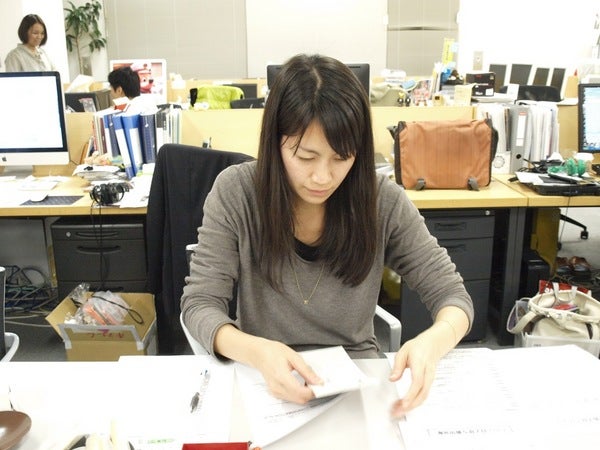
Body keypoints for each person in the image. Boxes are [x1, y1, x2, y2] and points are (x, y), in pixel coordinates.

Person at [180, 53, 473, 418]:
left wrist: (433, 342)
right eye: (306, 157)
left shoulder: (381, 201)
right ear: (274, 143)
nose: (323, 177)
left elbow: (453, 296)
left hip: (356, 379)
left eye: (341, 157)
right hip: (264, 378)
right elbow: (199, 304)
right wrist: (256, 351)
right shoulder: (237, 193)